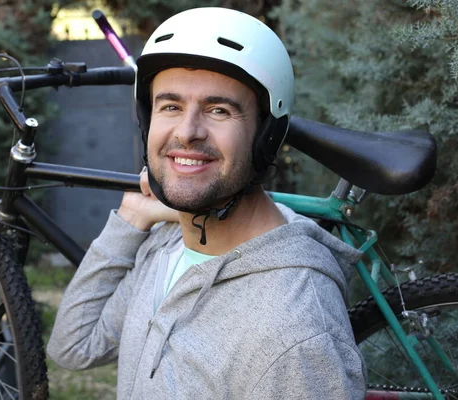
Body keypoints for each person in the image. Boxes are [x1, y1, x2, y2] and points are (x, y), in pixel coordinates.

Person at [48, 7, 367, 399]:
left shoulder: (294, 331)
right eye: (170, 106)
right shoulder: (167, 243)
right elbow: (73, 346)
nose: (187, 131)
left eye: (219, 110)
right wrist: (131, 219)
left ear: (266, 136)